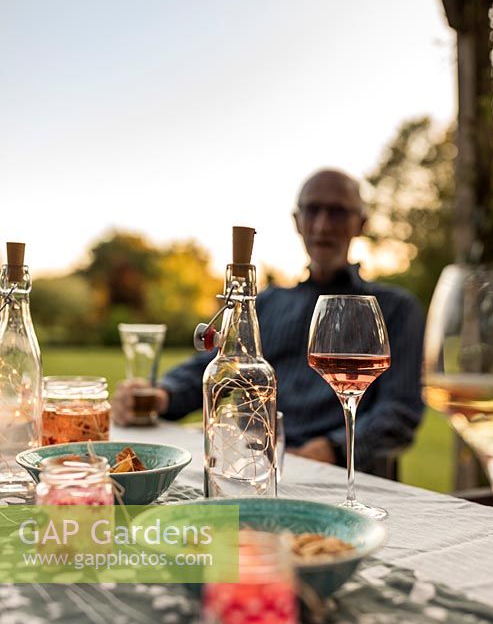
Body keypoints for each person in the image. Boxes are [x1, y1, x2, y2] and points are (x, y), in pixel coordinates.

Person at [112, 169, 425, 476]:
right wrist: (159, 394)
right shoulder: (266, 304)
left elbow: (399, 412)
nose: (322, 225)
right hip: (257, 471)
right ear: (296, 221)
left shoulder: (394, 310)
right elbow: (211, 369)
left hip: (344, 478)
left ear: (361, 223)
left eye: (338, 212)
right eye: (312, 210)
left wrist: (329, 449)